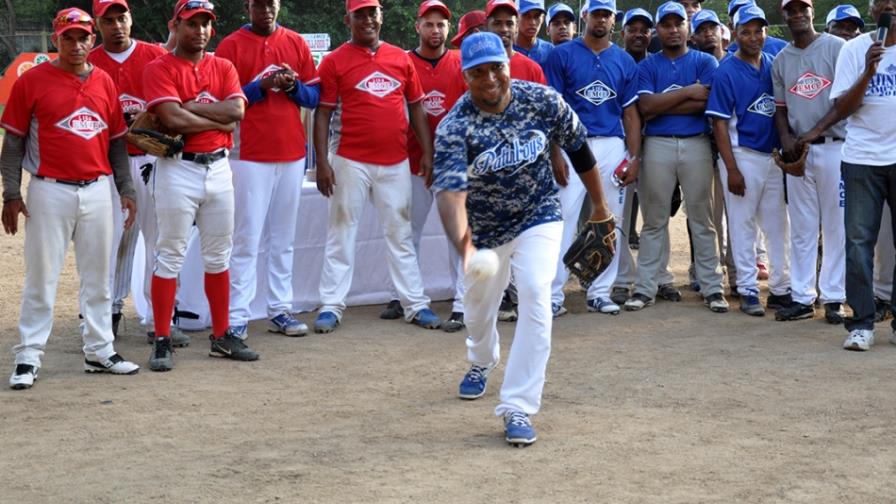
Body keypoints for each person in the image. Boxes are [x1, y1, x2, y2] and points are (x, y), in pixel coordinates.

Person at [433, 31, 613, 446]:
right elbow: (449, 195)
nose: (490, 78)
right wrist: (464, 247)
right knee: (478, 314)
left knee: (536, 292)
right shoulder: (455, 126)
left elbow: (579, 149)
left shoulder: (542, 100)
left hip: (538, 213)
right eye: (478, 72)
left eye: (497, 67)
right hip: (484, 232)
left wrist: (601, 206)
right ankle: (481, 360)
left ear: (508, 64)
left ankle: (517, 406)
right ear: (465, 77)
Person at [2, 8, 141, 389]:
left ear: (92, 40)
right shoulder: (33, 81)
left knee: (98, 277)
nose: (76, 45)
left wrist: (126, 189)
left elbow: (116, 141)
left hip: (98, 189)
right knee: (41, 277)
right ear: (55, 40)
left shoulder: (105, 82)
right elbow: (13, 143)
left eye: (83, 37)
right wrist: (11, 192)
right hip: (50, 189)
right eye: (68, 37)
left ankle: (99, 350)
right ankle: (29, 355)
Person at [312, 0, 442, 334]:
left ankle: (415, 304)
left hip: (395, 160)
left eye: (372, 12)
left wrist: (427, 153)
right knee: (342, 232)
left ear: (381, 16)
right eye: (360, 14)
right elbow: (323, 113)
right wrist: (323, 162)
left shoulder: (400, 58)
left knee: (400, 232)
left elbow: (416, 109)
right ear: (348, 19)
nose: (367, 19)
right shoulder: (333, 61)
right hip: (349, 159)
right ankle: (331, 305)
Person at [142, 0, 258, 371]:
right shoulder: (158, 67)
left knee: (218, 255)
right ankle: (162, 338)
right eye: (193, 23)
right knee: (171, 253)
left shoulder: (222, 65)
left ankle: (221, 336)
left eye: (206, 23)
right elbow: (170, 117)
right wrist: (214, 117)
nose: (201, 31)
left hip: (219, 169)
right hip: (178, 167)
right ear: (176, 24)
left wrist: (191, 110)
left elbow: (236, 113)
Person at [87, 0, 190, 348]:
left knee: (158, 240)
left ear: (131, 19)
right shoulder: (89, 62)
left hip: (151, 160)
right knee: (112, 242)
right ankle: (108, 314)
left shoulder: (153, 55)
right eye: (108, 20)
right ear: (97, 25)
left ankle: (158, 317)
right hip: (108, 164)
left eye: (122, 17)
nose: (116, 25)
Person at [215, 0, 320, 340]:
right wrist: (260, 87)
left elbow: (313, 97)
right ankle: (237, 314)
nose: (266, 9)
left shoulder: (295, 41)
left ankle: (279, 309)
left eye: (271, 3)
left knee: (283, 238)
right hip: (249, 154)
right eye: (259, 4)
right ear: (248, 6)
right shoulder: (231, 45)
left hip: (291, 152)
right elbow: (225, 101)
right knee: (247, 238)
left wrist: (291, 85)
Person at [628, 1, 728, 313]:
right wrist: (688, 92)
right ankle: (645, 287)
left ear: (689, 28)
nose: (673, 29)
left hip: (696, 142)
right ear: (658, 29)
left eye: (678, 23)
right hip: (656, 143)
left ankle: (713, 287)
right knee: (654, 220)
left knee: (702, 218)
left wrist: (664, 102)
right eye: (666, 24)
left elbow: (705, 103)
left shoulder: (704, 61)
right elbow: (646, 108)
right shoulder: (647, 65)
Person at [544, 0, 640, 316]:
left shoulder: (624, 60)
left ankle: (599, 291)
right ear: (585, 16)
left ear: (614, 19)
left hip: (612, 144)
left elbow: (630, 112)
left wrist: (634, 156)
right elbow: (554, 109)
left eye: (607, 14)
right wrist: (554, 152)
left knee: (608, 219)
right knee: (563, 219)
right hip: (574, 143)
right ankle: (554, 294)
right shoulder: (562, 55)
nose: (601, 19)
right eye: (596, 13)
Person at [379, 0, 468, 331]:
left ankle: (462, 303)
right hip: (413, 160)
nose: (435, 30)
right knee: (407, 232)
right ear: (417, 27)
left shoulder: (459, 62)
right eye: (429, 24)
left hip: (453, 164)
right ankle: (401, 296)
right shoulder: (402, 61)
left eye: (441, 24)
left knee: (456, 234)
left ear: (448, 28)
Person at [707, 4, 791, 317]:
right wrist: (731, 169)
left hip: (771, 157)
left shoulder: (772, 63)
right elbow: (719, 124)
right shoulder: (727, 69)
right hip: (742, 156)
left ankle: (781, 288)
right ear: (735, 33)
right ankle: (748, 289)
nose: (753, 37)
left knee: (777, 225)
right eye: (746, 31)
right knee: (742, 227)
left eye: (758, 30)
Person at [825, 0, 896, 350]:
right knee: (857, 244)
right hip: (862, 159)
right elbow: (841, 109)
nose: (889, 5)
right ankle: (862, 323)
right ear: (872, 11)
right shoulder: (854, 49)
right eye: (881, 1)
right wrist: (868, 72)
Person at [771, 0, 847, 323]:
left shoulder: (837, 48)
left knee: (835, 225)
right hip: (800, 150)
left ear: (812, 12)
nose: (798, 14)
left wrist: (814, 130)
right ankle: (803, 297)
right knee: (801, 227)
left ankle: (834, 297)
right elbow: (780, 108)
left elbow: (845, 101)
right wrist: (787, 141)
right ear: (784, 14)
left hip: (835, 147)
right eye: (792, 9)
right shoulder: (781, 60)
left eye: (804, 8)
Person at [514, 0, 553, 68]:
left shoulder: (550, 51)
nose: (532, 22)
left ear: (543, 18)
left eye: (537, 16)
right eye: (526, 15)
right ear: (516, 17)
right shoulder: (504, 49)